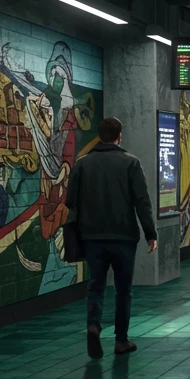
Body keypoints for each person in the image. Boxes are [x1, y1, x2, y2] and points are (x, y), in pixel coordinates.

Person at [66, 116, 157, 360]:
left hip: (92, 236)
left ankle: (94, 325)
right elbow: (141, 201)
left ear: (99, 135)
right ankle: (121, 340)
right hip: (123, 236)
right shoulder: (130, 162)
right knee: (123, 290)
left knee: (95, 284)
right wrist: (151, 233)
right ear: (120, 136)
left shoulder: (82, 164)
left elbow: (69, 200)